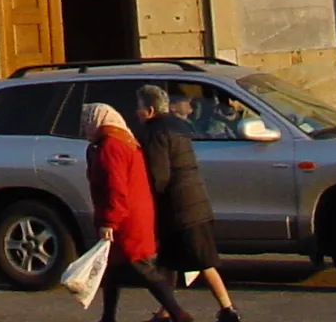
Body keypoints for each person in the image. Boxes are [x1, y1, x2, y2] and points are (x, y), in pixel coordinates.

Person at [136, 84, 241, 322]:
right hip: (193, 200)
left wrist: (147, 198)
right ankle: (166, 311)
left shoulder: (154, 132)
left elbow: (158, 175)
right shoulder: (179, 126)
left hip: (180, 206)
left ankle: (227, 309)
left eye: (139, 107)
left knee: (203, 259)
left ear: (150, 110)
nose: (137, 113)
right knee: (169, 261)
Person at [83, 100, 193, 322]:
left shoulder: (111, 146)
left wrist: (109, 222)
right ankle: (108, 317)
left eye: (86, 122)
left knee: (142, 267)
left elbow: (116, 188)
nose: (84, 127)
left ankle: (178, 314)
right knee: (112, 270)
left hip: (126, 219)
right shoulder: (120, 141)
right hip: (131, 214)